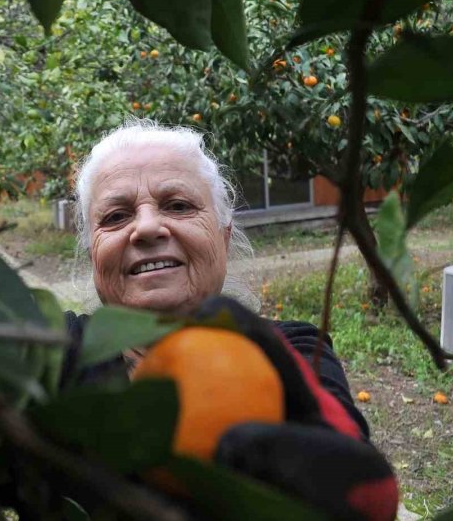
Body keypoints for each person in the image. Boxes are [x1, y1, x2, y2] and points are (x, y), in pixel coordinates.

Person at [59, 119, 398, 521]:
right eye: (116, 216)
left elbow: (346, 478)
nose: (147, 228)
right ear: (93, 252)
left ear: (223, 235)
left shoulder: (293, 352)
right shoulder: (56, 350)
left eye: (178, 205)